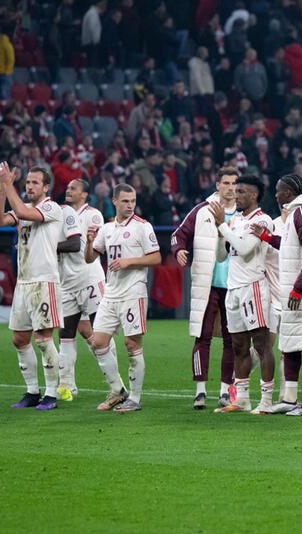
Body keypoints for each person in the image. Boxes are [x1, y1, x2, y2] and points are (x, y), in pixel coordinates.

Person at [0, 163, 65, 410]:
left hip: (44, 281)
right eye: (28, 182)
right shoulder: (24, 208)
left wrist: (8, 185)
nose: (30, 186)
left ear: (46, 187)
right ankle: (32, 392)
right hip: (24, 283)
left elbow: (21, 212)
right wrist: (3, 188)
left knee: (43, 339)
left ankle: (52, 394)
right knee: (20, 339)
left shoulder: (51, 207)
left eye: (35, 182)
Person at [258, 174, 302, 416]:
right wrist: (268, 238)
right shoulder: (295, 213)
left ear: (289, 192)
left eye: (279, 190)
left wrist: (300, 287)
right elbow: (294, 246)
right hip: (294, 291)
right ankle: (289, 399)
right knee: (290, 344)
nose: (276, 195)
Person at [84, 184, 161, 412]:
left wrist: (130, 261)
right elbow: (90, 259)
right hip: (111, 292)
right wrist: (89, 242)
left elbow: (156, 257)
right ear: (115, 201)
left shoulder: (142, 227)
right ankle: (118, 390)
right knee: (98, 342)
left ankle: (135, 399)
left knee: (132, 343)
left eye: (133, 201)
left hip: (133, 292)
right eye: (125, 201)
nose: (130, 205)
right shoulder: (107, 229)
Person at [171, 167, 239, 410]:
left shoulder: (244, 213)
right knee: (203, 336)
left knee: (233, 340)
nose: (231, 188)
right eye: (227, 183)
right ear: (217, 184)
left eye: (234, 183)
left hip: (235, 285)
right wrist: (178, 249)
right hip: (207, 283)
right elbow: (178, 235)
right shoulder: (202, 211)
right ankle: (200, 392)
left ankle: (224, 392)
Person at [210, 176, 275, 414]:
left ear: (254, 195)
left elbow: (246, 249)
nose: (236, 195)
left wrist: (221, 226)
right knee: (238, 345)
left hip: (253, 287)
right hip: (233, 288)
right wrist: (220, 231)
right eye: (235, 191)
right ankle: (243, 399)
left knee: (261, 344)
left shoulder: (262, 220)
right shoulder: (235, 220)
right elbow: (221, 256)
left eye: (241, 192)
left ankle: (266, 401)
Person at [56, 179, 108, 401]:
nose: (68, 190)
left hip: (90, 280)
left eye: (73, 188)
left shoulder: (93, 215)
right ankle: (67, 385)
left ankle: (115, 383)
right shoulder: (59, 213)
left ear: (84, 195)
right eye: (67, 188)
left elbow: (83, 246)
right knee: (67, 334)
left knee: (99, 333)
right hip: (67, 283)